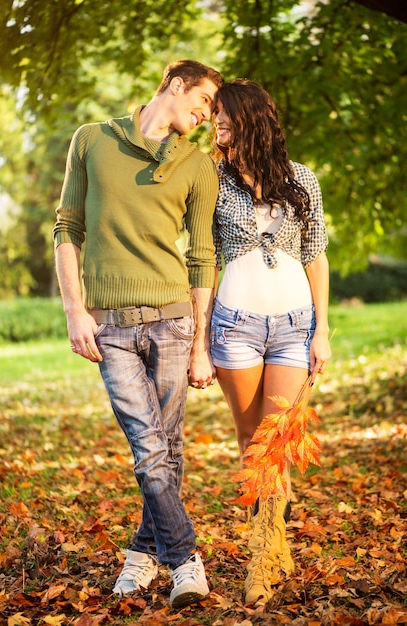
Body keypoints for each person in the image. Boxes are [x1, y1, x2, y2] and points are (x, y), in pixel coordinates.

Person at [53, 59, 224, 609]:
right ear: (176, 86)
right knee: (151, 450)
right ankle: (186, 561)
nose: (203, 116)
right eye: (202, 103)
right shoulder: (93, 140)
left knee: (164, 451)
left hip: (174, 321)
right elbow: (67, 228)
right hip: (113, 329)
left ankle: (141, 556)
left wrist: (201, 344)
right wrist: (75, 311)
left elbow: (202, 257)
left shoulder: (197, 166)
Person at [210, 79, 331, 604]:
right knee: (251, 443)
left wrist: (323, 329)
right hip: (234, 324)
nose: (215, 123)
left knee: (277, 442)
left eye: (224, 114)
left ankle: (264, 556)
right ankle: (270, 544)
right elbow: (205, 260)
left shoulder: (301, 179)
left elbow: (316, 255)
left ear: (251, 118)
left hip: (294, 324)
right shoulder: (210, 180)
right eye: (212, 113)